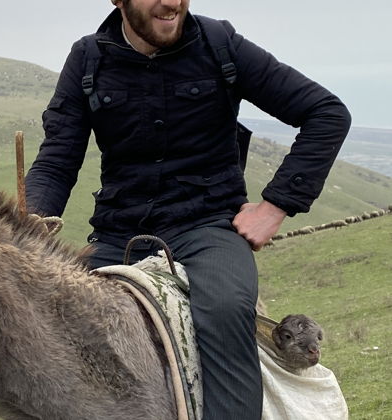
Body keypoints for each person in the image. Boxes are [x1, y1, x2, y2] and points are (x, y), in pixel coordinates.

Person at [25, 0, 351, 418]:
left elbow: (326, 112)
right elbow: (56, 159)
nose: (171, 2)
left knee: (225, 308)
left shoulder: (220, 44)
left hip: (209, 229)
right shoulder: (87, 59)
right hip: (116, 235)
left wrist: (275, 206)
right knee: (50, 320)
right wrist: (31, 220)